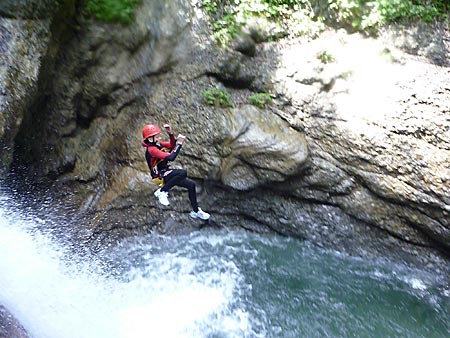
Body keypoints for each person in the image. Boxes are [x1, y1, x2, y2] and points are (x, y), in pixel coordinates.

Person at [141, 123, 210, 220]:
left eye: (158, 136)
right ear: (149, 139)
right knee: (182, 173)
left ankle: (196, 211)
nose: (159, 138)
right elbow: (171, 156)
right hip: (159, 176)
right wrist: (180, 144)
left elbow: (171, 146)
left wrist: (171, 134)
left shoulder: (157, 145)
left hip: (165, 172)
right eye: (156, 137)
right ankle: (162, 191)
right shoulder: (152, 149)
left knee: (191, 185)